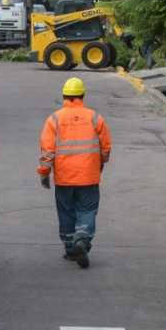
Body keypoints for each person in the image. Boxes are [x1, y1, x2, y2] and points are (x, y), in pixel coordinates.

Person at [36, 77, 112, 269]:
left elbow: (47, 150)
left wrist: (44, 173)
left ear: (64, 96)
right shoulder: (95, 117)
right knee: (86, 210)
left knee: (66, 211)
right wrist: (101, 164)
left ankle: (71, 248)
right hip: (88, 176)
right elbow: (105, 147)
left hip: (64, 178)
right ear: (82, 95)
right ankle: (82, 240)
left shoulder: (54, 119)